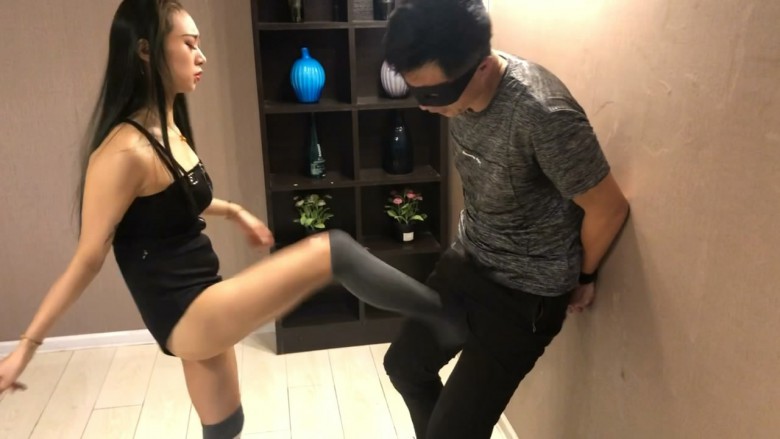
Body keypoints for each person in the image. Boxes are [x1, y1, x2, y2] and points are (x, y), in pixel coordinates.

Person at [0, 1, 455, 437]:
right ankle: (450, 316)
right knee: (333, 251)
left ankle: (446, 318)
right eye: (188, 44)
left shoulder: (166, 128)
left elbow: (177, 198)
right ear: (145, 50)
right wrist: (27, 347)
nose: (201, 56)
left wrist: (234, 212)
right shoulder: (124, 151)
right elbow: (87, 259)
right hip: (187, 312)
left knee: (224, 426)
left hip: (202, 292)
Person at [381, 1, 631, 438]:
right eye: (415, 92)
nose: (425, 108)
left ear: (480, 67)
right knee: (404, 366)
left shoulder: (542, 114)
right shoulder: (459, 95)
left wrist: (585, 275)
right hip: (469, 261)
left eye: (434, 95)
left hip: (525, 294)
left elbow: (608, 207)